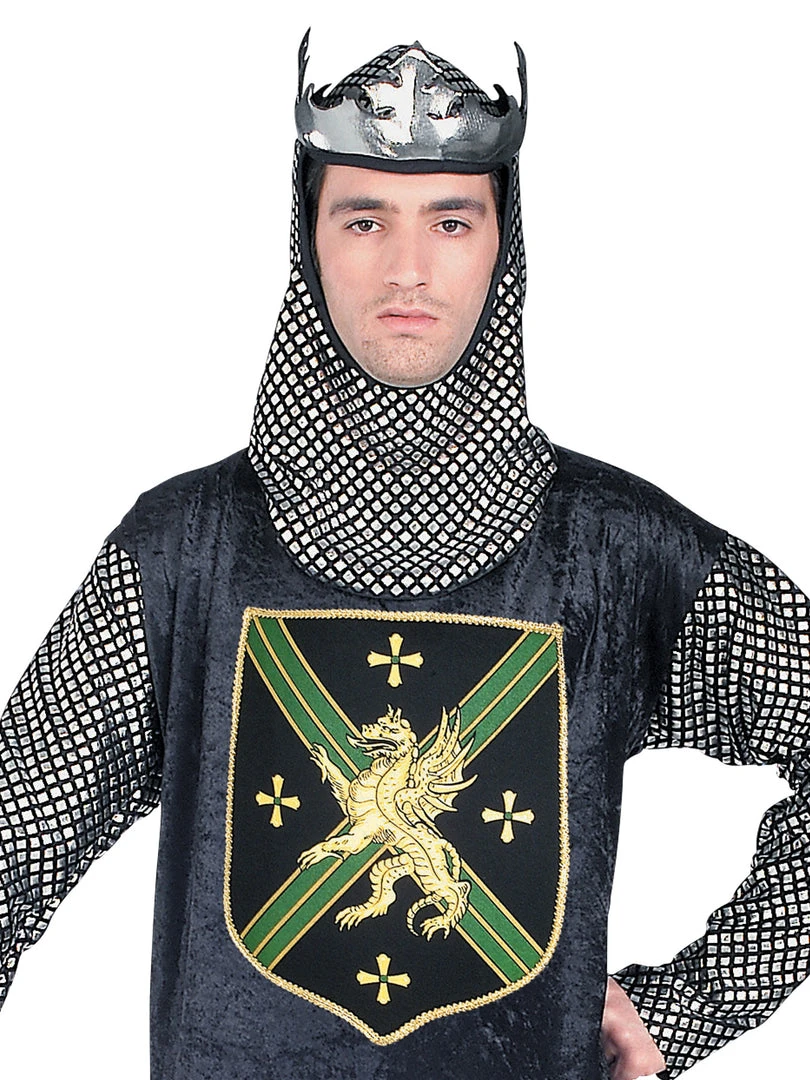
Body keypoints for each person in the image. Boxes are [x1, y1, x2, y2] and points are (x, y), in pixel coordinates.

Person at [1, 32, 808, 1080]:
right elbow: (12, 837)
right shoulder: (184, 552)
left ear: (501, 241)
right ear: (311, 235)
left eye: (451, 221)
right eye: (365, 219)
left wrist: (692, 1003)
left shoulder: (615, 552)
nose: (408, 268)